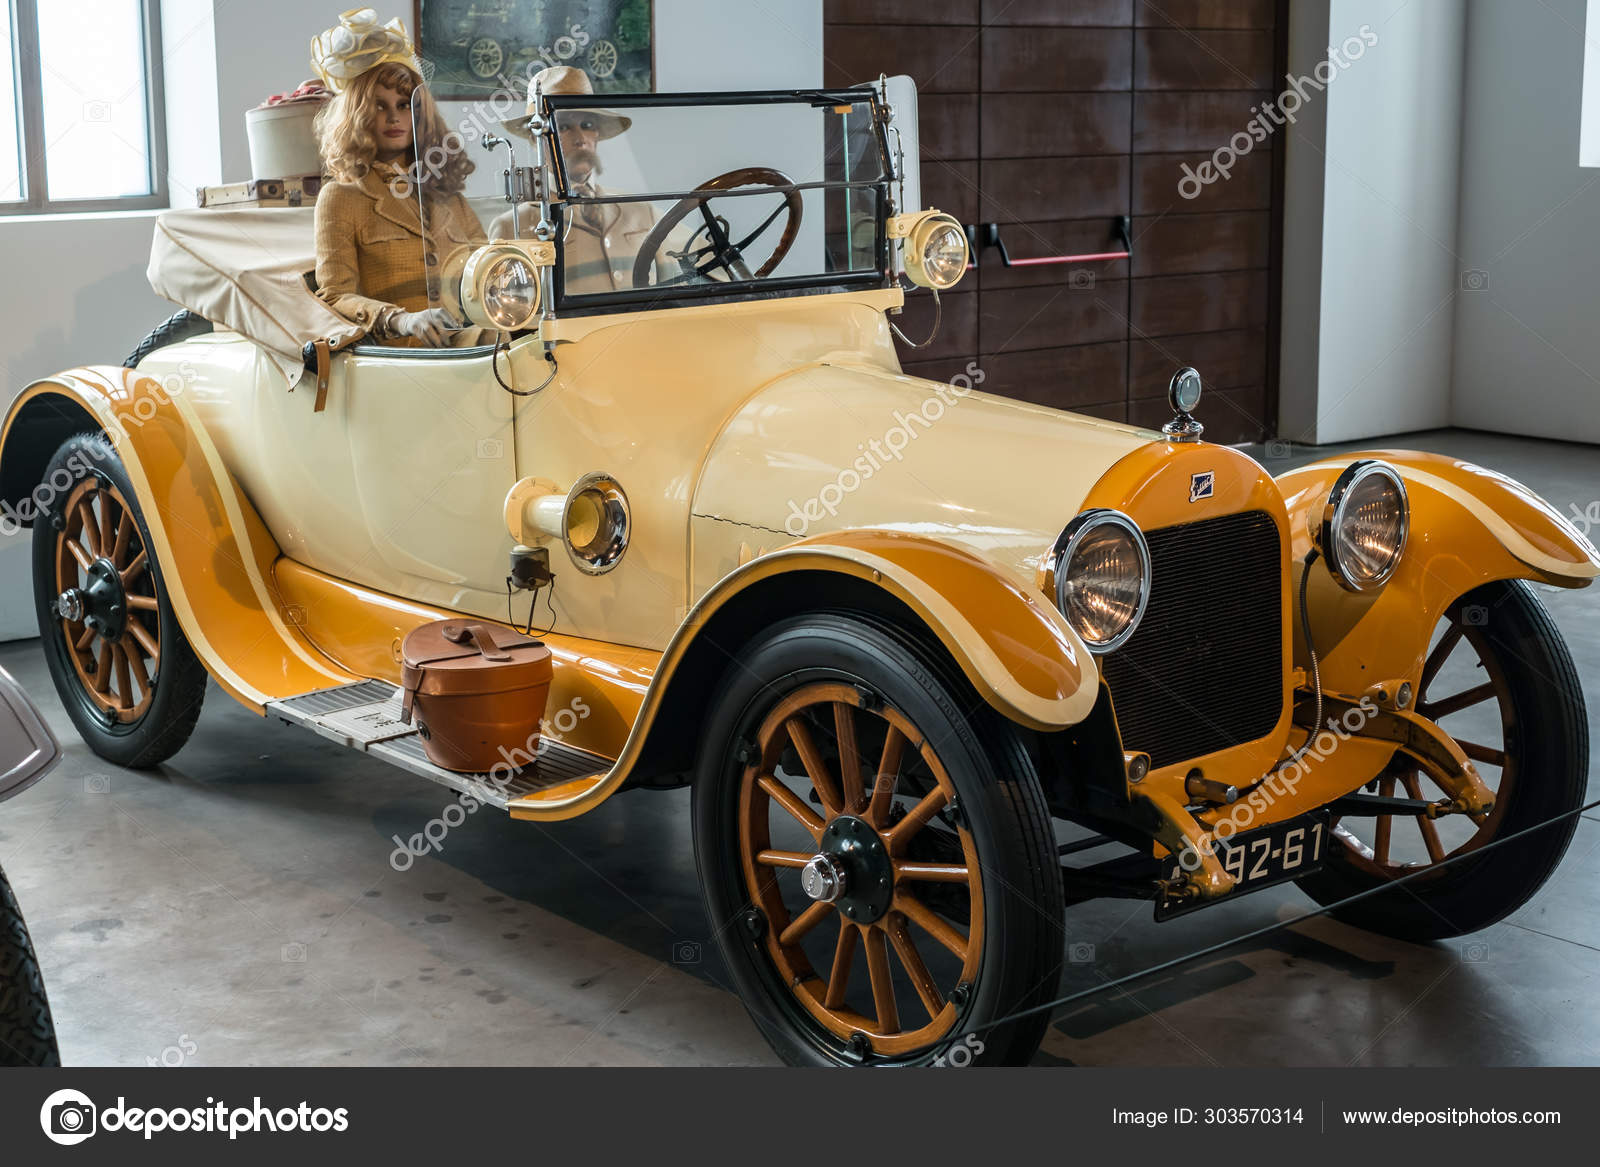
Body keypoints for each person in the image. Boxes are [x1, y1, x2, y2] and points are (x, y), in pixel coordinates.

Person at [309, 9, 488, 347]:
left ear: (421, 111)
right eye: (379, 105)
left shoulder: (445, 192)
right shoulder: (341, 198)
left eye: (405, 104)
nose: (394, 116)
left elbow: (488, 269)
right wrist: (401, 319)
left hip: (473, 344)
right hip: (402, 356)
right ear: (358, 114)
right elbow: (334, 296)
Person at [493, 66, 680, 293]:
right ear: (536, 139)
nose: (580, 139)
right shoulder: (514, 227)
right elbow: (511, 317)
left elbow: (674, 292)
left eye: (587, 125)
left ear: (597, 134)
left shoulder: (641, 212)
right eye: (563, 127)